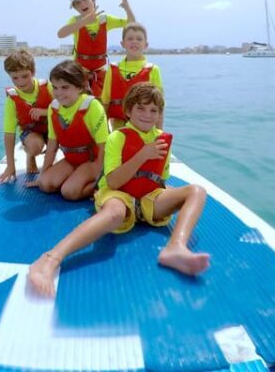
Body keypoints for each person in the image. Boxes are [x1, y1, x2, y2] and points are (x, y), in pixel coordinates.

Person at [28, 83, 210, 298]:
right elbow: (113, 182)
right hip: (119, 195)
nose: (147, 115)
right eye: (141, 108)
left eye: (153, 110)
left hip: (147, 198)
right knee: (114, 214)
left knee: (196, 191)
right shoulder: (118, 137)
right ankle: (51, 258)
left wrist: (168, 194)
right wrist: (143, 154)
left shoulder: (162, 139)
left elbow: (161, 177)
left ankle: (176, 247)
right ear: (128, 111)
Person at [27, 60, 109, 201]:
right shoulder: (53, 109)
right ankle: (74, 179)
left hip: (93, 161)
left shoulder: (92, 106)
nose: (59, 93)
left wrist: (100, 176)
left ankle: (99, 187)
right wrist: (43, 175)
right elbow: (52, 146)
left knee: (69, 193)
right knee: (46, 185)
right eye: (55, 87)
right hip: (71, 160)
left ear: (79, 87)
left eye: (65, 87)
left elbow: (104, 146)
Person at [57, 0, 135, 97]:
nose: (82, 4)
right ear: (75, 8)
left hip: (101, 71)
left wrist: (127, 8)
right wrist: (84, 21)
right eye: (77, 3)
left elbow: (131, 23)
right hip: (79, 71)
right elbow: (61, 34)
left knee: (104, 102)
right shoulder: (75, 21)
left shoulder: (105, 19)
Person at [0, 50, 53, 183]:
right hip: (31, 133)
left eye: (25, 76)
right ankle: (30, 155)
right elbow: (9, 133)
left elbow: (65, 109)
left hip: (52, 129)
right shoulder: (12, 100)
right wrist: (11, 165)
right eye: (15, 78)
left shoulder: (48, 87)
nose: (20, 82)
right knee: (35, 146)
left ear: (33, 72)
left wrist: (44, 112)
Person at [102, 22, 165, 130]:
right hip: (118, 130)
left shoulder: (153, 70)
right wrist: (104, 131)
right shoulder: (112, 69)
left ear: (146, 44)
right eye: (130, 38)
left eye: (139, 39)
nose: (134, 42)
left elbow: (159, 106)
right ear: (123, 43)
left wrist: (159, 132)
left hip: (144, 130)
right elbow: (105, 102)